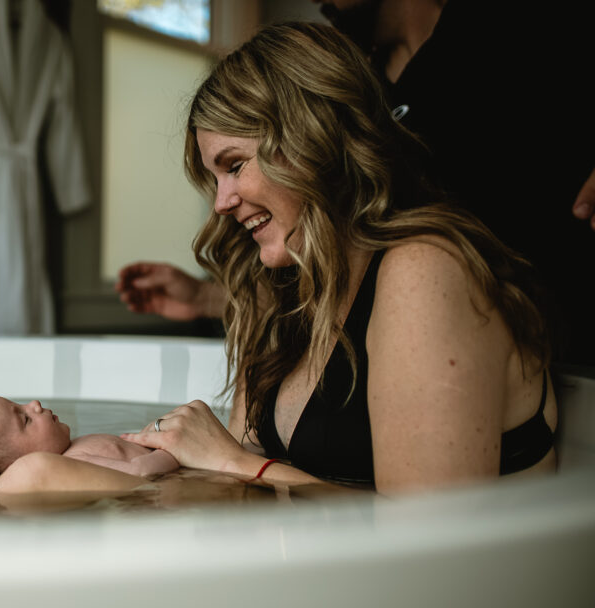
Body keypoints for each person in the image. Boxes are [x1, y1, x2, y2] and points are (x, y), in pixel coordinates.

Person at [117, 22, 557, 495]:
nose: (222, 202)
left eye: (235, 166)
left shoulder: (426, 272)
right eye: (215, 178)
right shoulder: (285, 294)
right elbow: (239, 492)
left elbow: (430, 549)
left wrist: (231, 460)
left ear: (314, 139)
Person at [118, 0, 595, 366]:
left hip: (555, 346)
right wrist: (206, 298)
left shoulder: (532, 27)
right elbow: (343, 276)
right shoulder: (364, 86)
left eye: (235, 166)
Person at [0, 396, 180, 487]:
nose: (34, 405)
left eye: (21, 405)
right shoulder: (76, 462)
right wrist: (172, 448)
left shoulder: (76, 448)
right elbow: (140, 472)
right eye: (26, 420)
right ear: (19, 463)